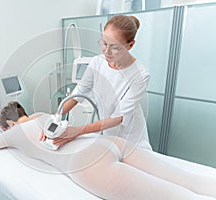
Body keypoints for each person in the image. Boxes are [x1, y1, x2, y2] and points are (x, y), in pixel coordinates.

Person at [0, 102, 216, 200]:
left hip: (88, 163)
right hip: (106, 142)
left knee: (178, 197)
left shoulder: (12, 133)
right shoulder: (45, 114)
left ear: (10, 123)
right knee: (190, 181)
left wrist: (1, 130)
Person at [47, 15, 152, 150]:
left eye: (114, 47)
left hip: (132, 140)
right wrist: (55, 119)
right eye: (104, 43)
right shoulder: (97, 62)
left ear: (130, 45)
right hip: (108, 136)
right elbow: (78, 94)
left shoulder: (140, 75)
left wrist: (77, 131)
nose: (106, 52)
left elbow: (118, 116)